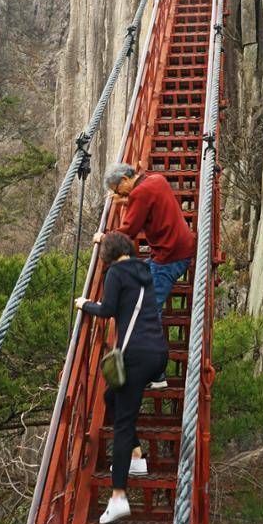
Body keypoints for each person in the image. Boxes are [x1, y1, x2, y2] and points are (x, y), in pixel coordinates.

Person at [76, 231, 168, 524]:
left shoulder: (116, 272)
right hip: (157, 353)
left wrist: (83, 304)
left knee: (123, 423)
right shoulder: (144, 269)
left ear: (108, 255)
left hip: (136, 356)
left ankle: (118, 497)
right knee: (110, 399)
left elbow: (108, 310)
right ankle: (138, 457)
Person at [94, 162, 195, 389]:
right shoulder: (156, 179)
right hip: (181, 247)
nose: (119, 195)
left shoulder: (139, 194)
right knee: (139, 278)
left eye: (118, 191)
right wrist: (127, 201)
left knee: (151, 312)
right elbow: (147, 200)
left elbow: (129, 230)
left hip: (168, 258)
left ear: (124, 181)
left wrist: (104, 237)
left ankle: (157, 375)